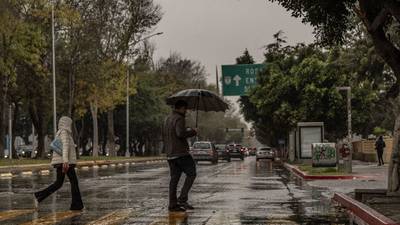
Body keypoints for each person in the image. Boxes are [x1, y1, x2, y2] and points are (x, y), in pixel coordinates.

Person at [34, 116, 84, 210]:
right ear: (67, 123)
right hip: (64, 162)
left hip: (62, 162)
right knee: (74, 182)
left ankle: (39, 195)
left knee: (58, 183)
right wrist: (65, 161)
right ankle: (76, 205)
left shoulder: (60, 133)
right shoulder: (64, 132)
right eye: (70, 123)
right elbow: (65, 146)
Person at [162, 100, 198, 212]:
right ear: (181, 108)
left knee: (174, 179)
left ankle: (172, 205)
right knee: (192, 173)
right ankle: (182, 199)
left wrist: (186, 130)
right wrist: (193, 132)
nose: (186, 111)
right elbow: (180, 133)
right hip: (180, 153)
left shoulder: (167, 119)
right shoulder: (179, 118)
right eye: (185, 109)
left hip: (170, 154)